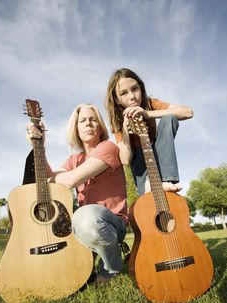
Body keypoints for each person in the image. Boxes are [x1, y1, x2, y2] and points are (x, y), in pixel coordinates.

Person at [26, 103, 128, 284]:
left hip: (111, 223)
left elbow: (71, 180)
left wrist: (50, 181)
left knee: (85, 216)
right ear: (76, 128)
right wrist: (39, 145)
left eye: (93, 119)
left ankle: (110, 269)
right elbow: (52, 180)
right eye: (83, 121)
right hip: (83, 226)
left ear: (100, 127)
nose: (88, 124)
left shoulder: (108, 147)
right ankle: (90, 257)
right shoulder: (74, 159)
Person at [105, 68, 193, 196]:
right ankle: (148, 183)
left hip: (159, 151)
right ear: (117, 99)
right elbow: (125, 160)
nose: (132, 97)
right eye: (124, 93)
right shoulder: (118, 121)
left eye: (135, 89)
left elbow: (187, 112)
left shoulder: (150, 103)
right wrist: (125, 130)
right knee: (149, 200)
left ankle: (168, 180)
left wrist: (148, 113)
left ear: (141, 88)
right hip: (139, 160)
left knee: (169, 118)